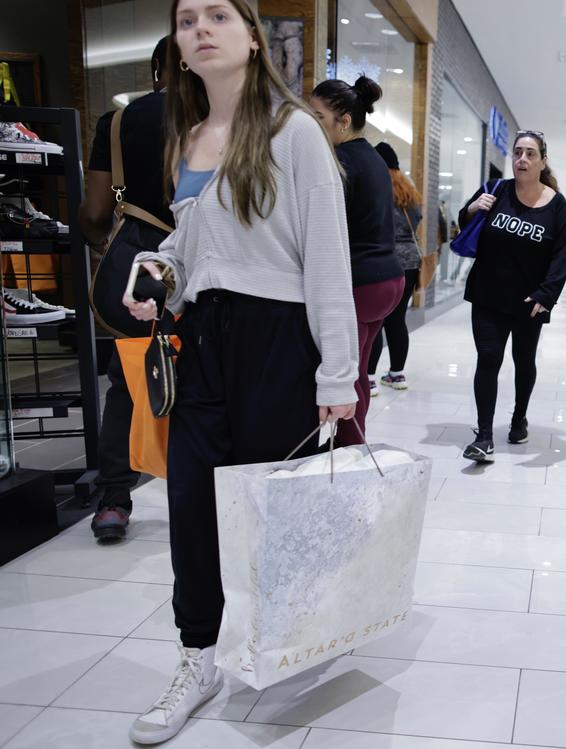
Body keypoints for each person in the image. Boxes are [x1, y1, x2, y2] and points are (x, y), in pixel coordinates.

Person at [122, 1, 359, 743]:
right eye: (187, 19)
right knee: (191, 507)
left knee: (271, 515)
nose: (200, 29)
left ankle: (287, 641)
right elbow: (197, 248)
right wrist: (153, 272)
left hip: (278, 339)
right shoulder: (186, 139)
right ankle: (198, 656)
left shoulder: (294, 135)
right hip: (203, 339)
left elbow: (326, 258)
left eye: (217, 14)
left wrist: (337, 377)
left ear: (252, 37)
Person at [79, 37, 172, 541]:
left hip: (138, 266)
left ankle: (113, 501)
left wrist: (109, 245)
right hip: (209, 270)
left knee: (127, 383)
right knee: (209, 382)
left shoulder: (117, 123)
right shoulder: (224, 123)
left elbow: (94, 214)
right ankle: (209, 497)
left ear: (157, 69)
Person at [459, 130, 566, 462]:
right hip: (487, 296)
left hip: (528, 303)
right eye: (518, 153)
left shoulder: (555, 205)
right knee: (488, 359)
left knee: (523, 362)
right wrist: (471, 209)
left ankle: (519, 418)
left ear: (542, 161)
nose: (522, 159)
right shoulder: (495, 190)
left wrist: (546, 294)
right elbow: (462, 226)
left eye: (530, 154)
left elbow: (562, 254)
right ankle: (483, 436)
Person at [310, 76, 404, 445]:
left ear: (343, 121)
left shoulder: (341, 162)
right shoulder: (375, 158)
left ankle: (349, 451)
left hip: (361, 282)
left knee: (344, 378)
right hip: (386, 281)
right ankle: (353, 446)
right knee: (358, 373)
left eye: (318, 117)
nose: (312, 126)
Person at [366, 141, 422, 392]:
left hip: (385, 260)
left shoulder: (376, 188)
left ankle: (368, 377)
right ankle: (397, 374)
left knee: (376, 319)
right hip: (410, 262)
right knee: (398, 319)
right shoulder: (410, 194)